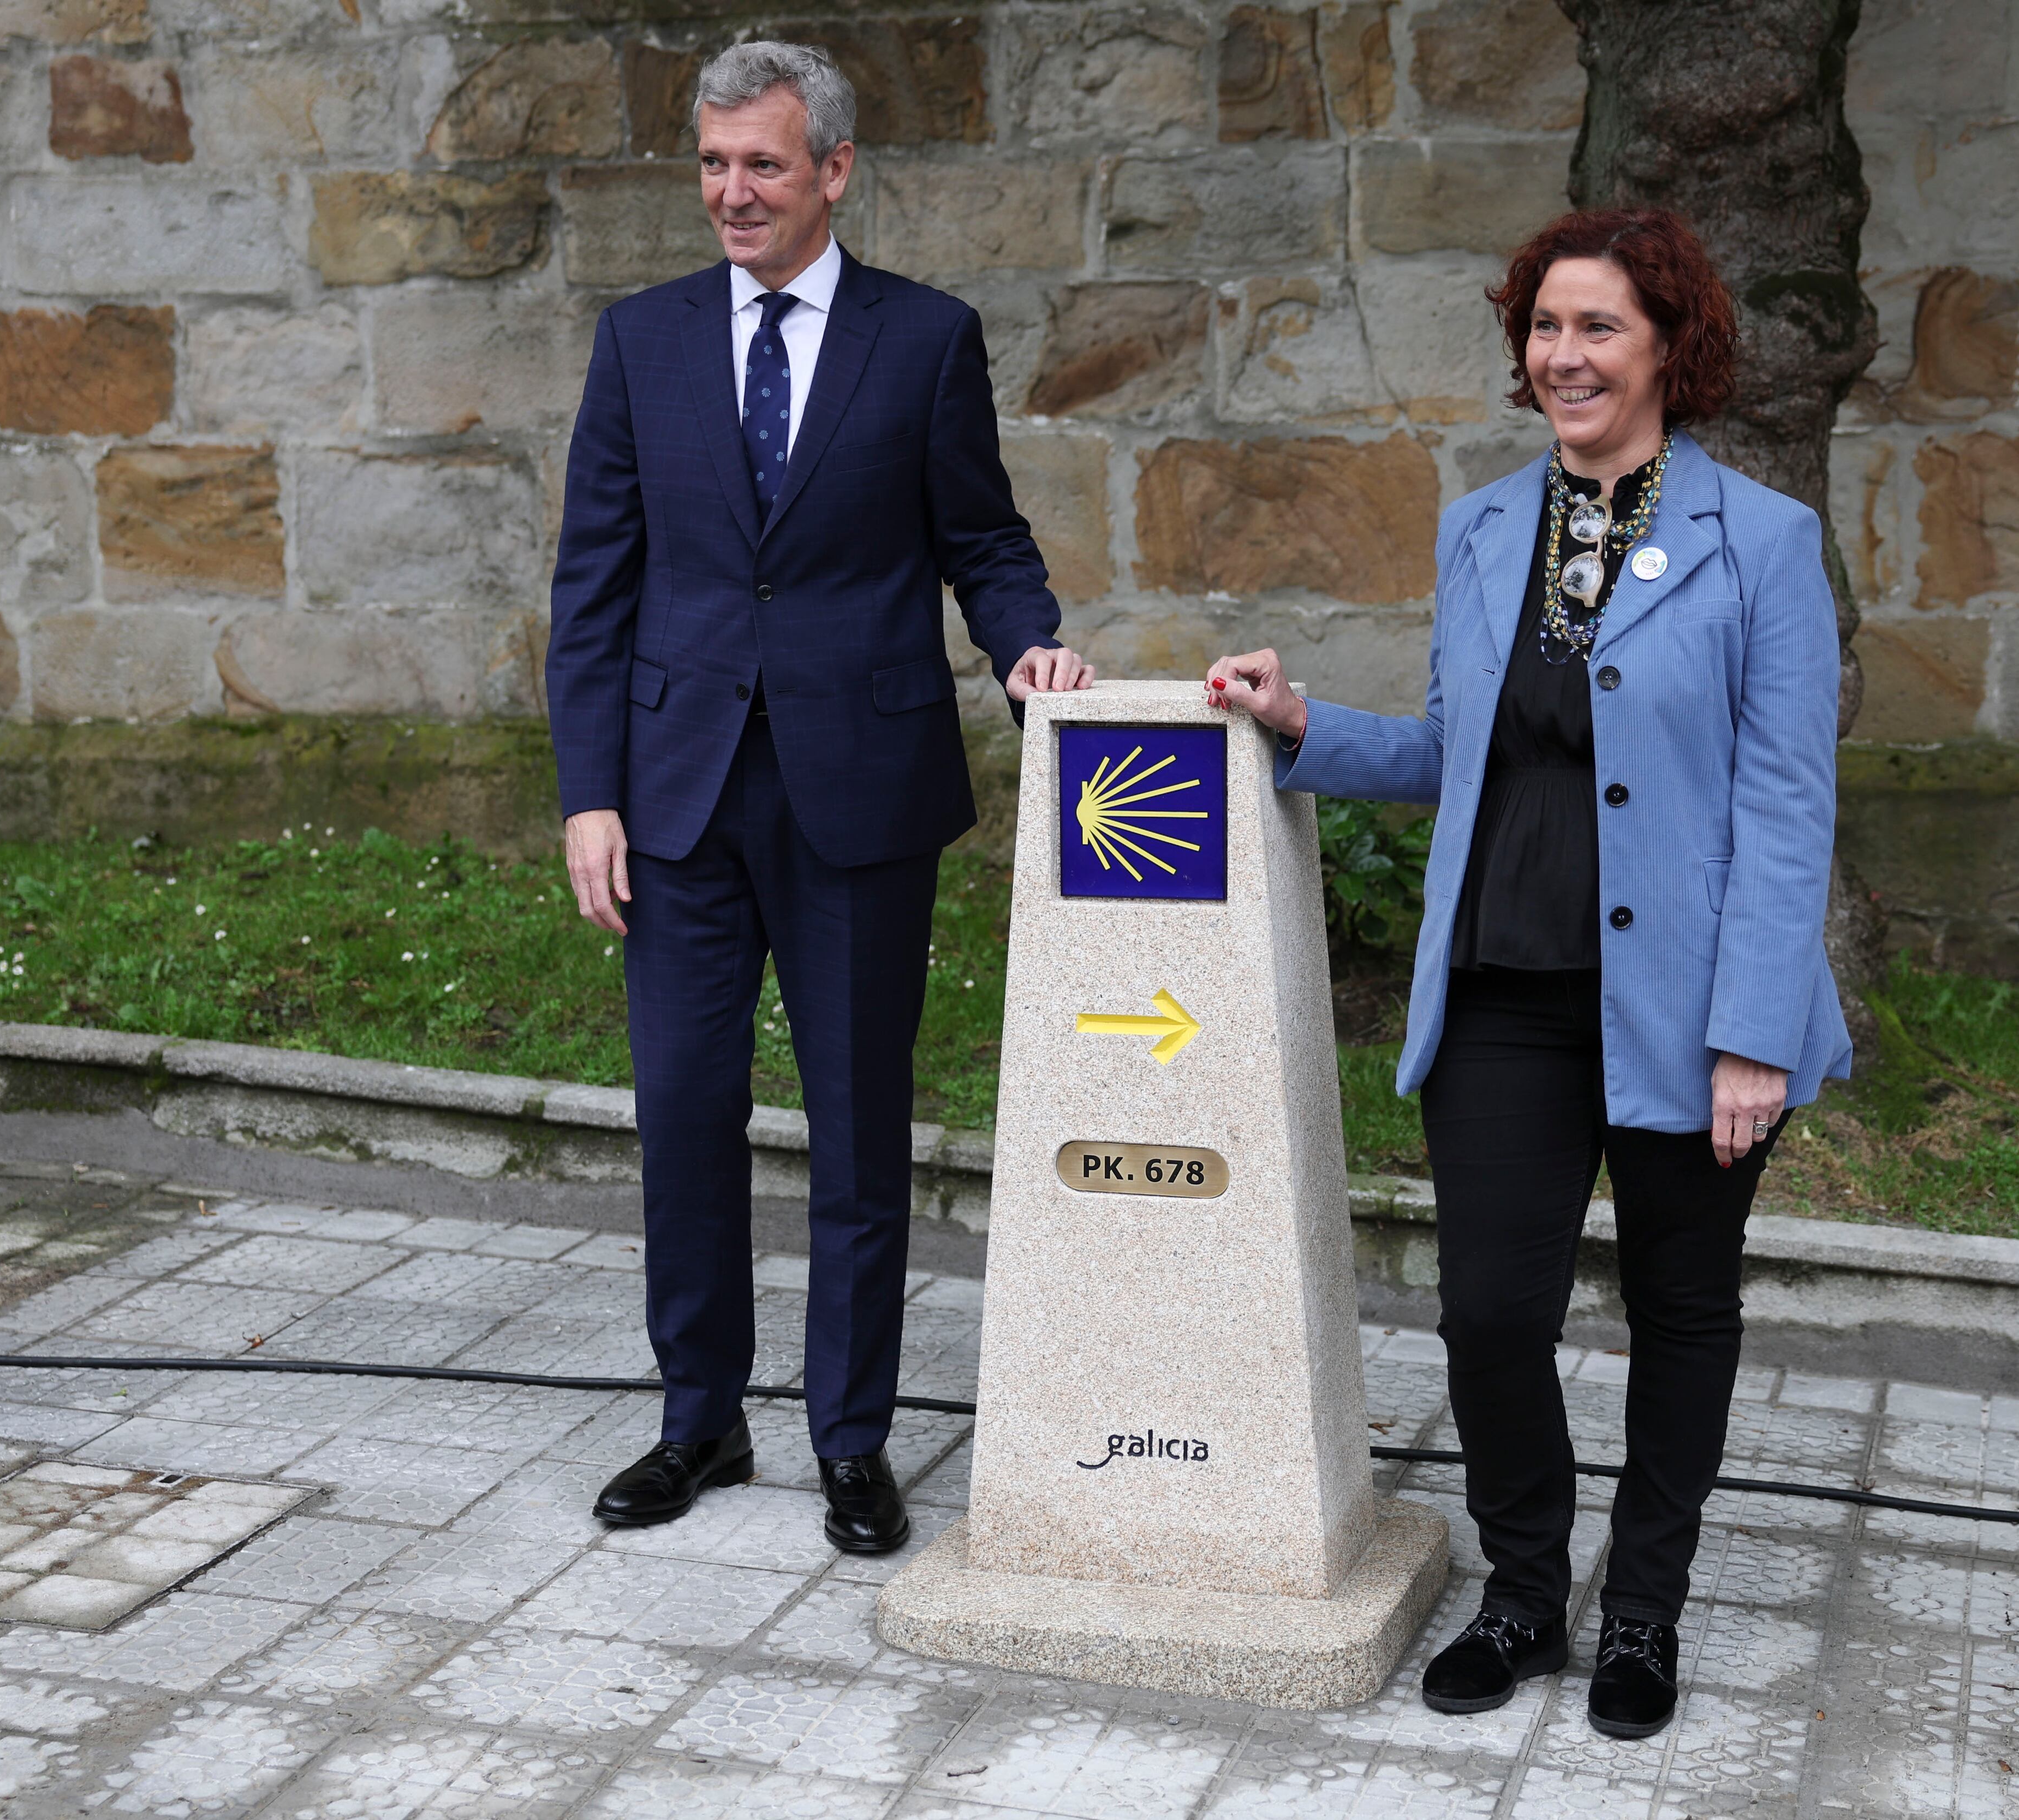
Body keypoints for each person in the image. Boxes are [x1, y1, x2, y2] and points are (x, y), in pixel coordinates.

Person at [1204, 209, 1849, 1736]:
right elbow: (1459, 751)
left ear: (1669, 350)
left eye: (1597, 328)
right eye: (1545, 329)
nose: (1563, 355)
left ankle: (1642, 1618)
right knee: (1491, 1312)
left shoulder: (1765, 542)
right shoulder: (1487, 529)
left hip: (1695, 1011)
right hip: (1503, 984)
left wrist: (1755, 1031)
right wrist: (1307, 728)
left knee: (1683, 1311)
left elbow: (1787, 798)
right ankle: (1522, 1589)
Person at [547, 41, 1093, 1556]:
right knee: (685, 1115)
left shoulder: (924, 341)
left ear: (833, 170)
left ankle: (851, 1437)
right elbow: (593, 586)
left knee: (857, 1128)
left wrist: (1030, 650)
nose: (733, 192)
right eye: (715, 164)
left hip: (863, 788)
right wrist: (589, 792)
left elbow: (981, 540)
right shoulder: (640, 341)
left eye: (763, 166)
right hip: (676, 799)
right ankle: (698, 1422)